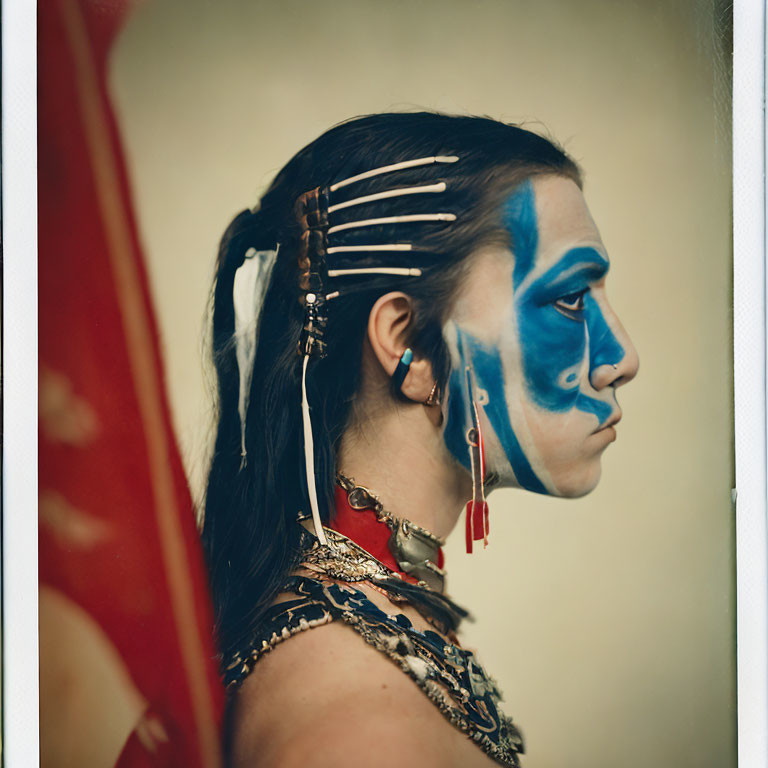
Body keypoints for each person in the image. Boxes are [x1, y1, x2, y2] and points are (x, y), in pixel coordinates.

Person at [201, 112, 639, 767]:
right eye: (570, 299)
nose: (622, 357)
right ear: (408, 345)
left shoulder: (374, 608)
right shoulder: (356, 730)